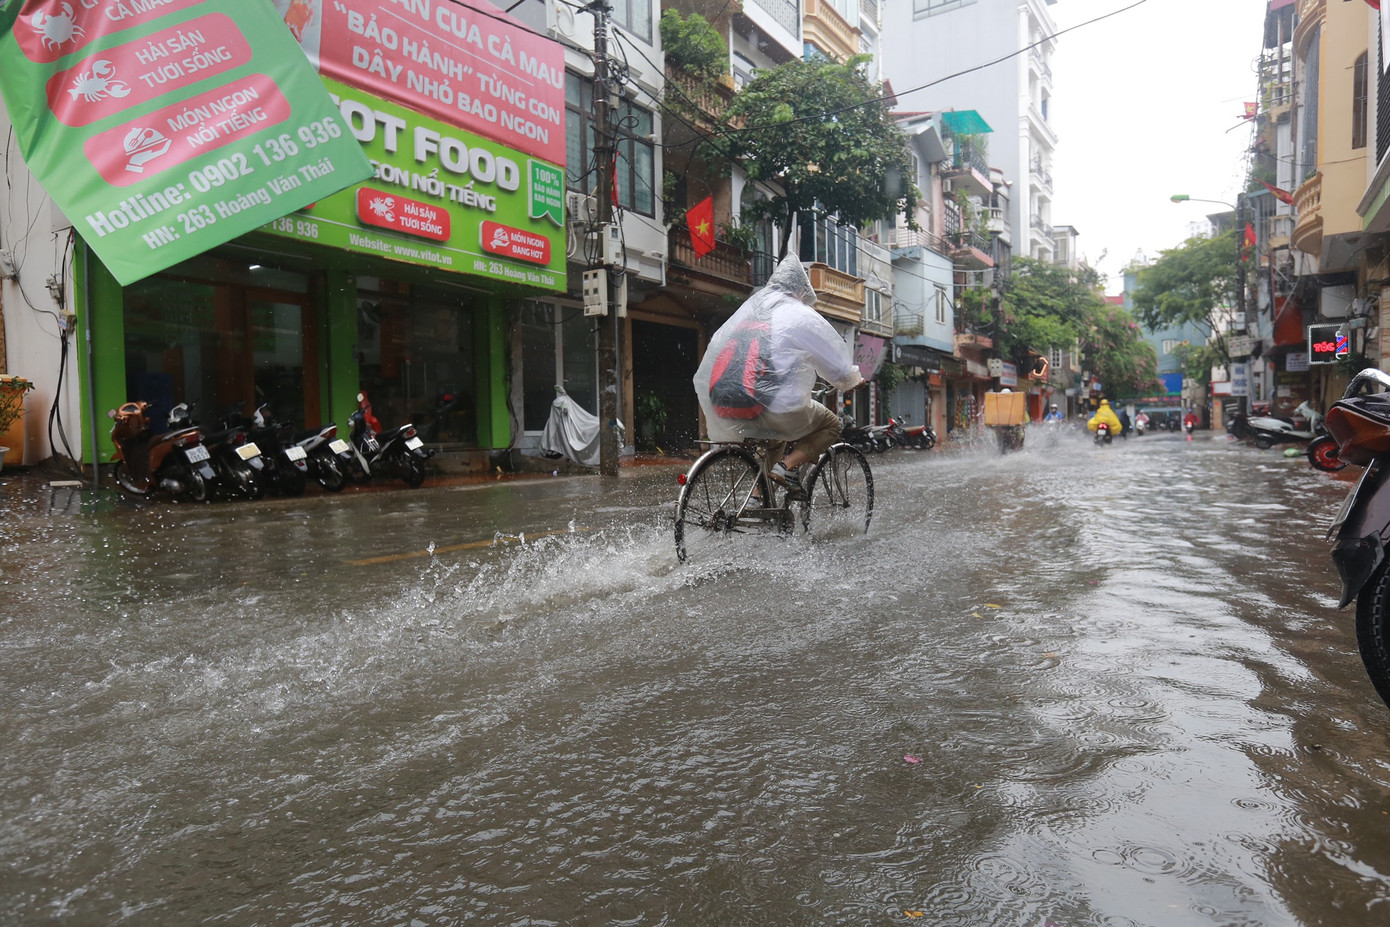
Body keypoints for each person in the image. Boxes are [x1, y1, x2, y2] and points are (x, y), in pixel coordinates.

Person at [693, 254, 865, 495]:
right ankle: (788, 467)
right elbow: (838, 368)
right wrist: (852, 381)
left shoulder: (750, 310)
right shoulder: (800, 314)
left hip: (726, 403)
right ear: (801, 291)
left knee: (774, 438)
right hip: (775, 406)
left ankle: (757, 498)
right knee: (831, 425)